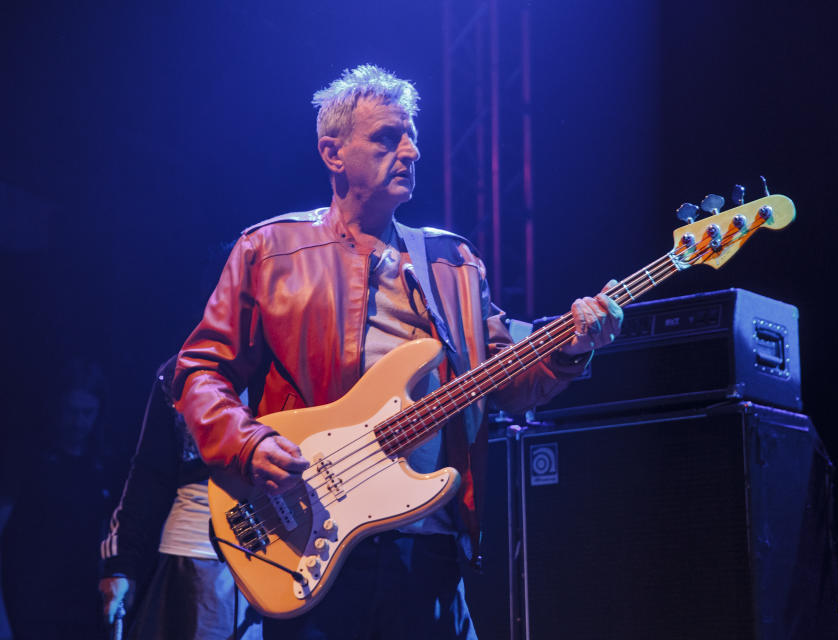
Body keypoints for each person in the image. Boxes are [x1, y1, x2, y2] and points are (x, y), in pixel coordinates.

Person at [173, 64, 623, 639]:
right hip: (307, 531)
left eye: (412, 136)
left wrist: (570, 348)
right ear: (333, 154)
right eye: (387, 137)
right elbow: (200, 370)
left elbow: (502, 376)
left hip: (428, 545)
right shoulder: (270, 250)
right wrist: (247, 443)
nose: (410, 150)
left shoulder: (451, 262)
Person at [98, 355, 262, 639]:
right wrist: (121, 563)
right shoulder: (183, 370)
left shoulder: (301, 359)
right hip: (200, 560)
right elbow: (149, 475)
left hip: (296, 555)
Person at [0, 358, 114, 639]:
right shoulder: (27, 461)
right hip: (32, 603)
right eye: (71, 411)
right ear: (58, 408)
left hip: (84, 602)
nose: (79, 422)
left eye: (87, 412)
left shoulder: (102, 464)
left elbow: (105, 532)